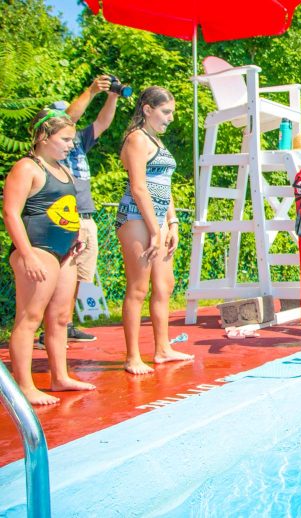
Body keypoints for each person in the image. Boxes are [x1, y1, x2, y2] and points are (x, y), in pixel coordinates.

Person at [3, 108, 96, 404]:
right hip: (38, 250)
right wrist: (27, 254)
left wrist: (78, 233)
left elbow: (67, 207)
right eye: (66, 139)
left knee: (59, 318)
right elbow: (11, 213)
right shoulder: (28, 167)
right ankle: (24, 387)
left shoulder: (63, 169)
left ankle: (60, 376)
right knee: (29, 319)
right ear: (44, 137)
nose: (71, 145)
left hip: (66, 251)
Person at [116, 86, 193, 374]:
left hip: (158, 220)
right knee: (138, 287)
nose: (171, 118)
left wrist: (170, 222)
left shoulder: (156, 142)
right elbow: (138, 188)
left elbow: (164, 185)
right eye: (166, 111)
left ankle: (162, 349)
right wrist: (153, 228)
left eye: (172, 111)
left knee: (164, 285)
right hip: (136, 218)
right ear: (147, 110)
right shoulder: (137, 139)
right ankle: (132, 356)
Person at [40, 76, 121, 346]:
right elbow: (69, 119)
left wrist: (113, 96)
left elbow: (102, 123)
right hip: (64, 218)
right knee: (59, 275)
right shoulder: (52, 148)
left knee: (77, 276)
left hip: (85, 216)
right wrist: (91, 90)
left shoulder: (78, 142)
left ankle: (66, 324)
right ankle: (47, 330)